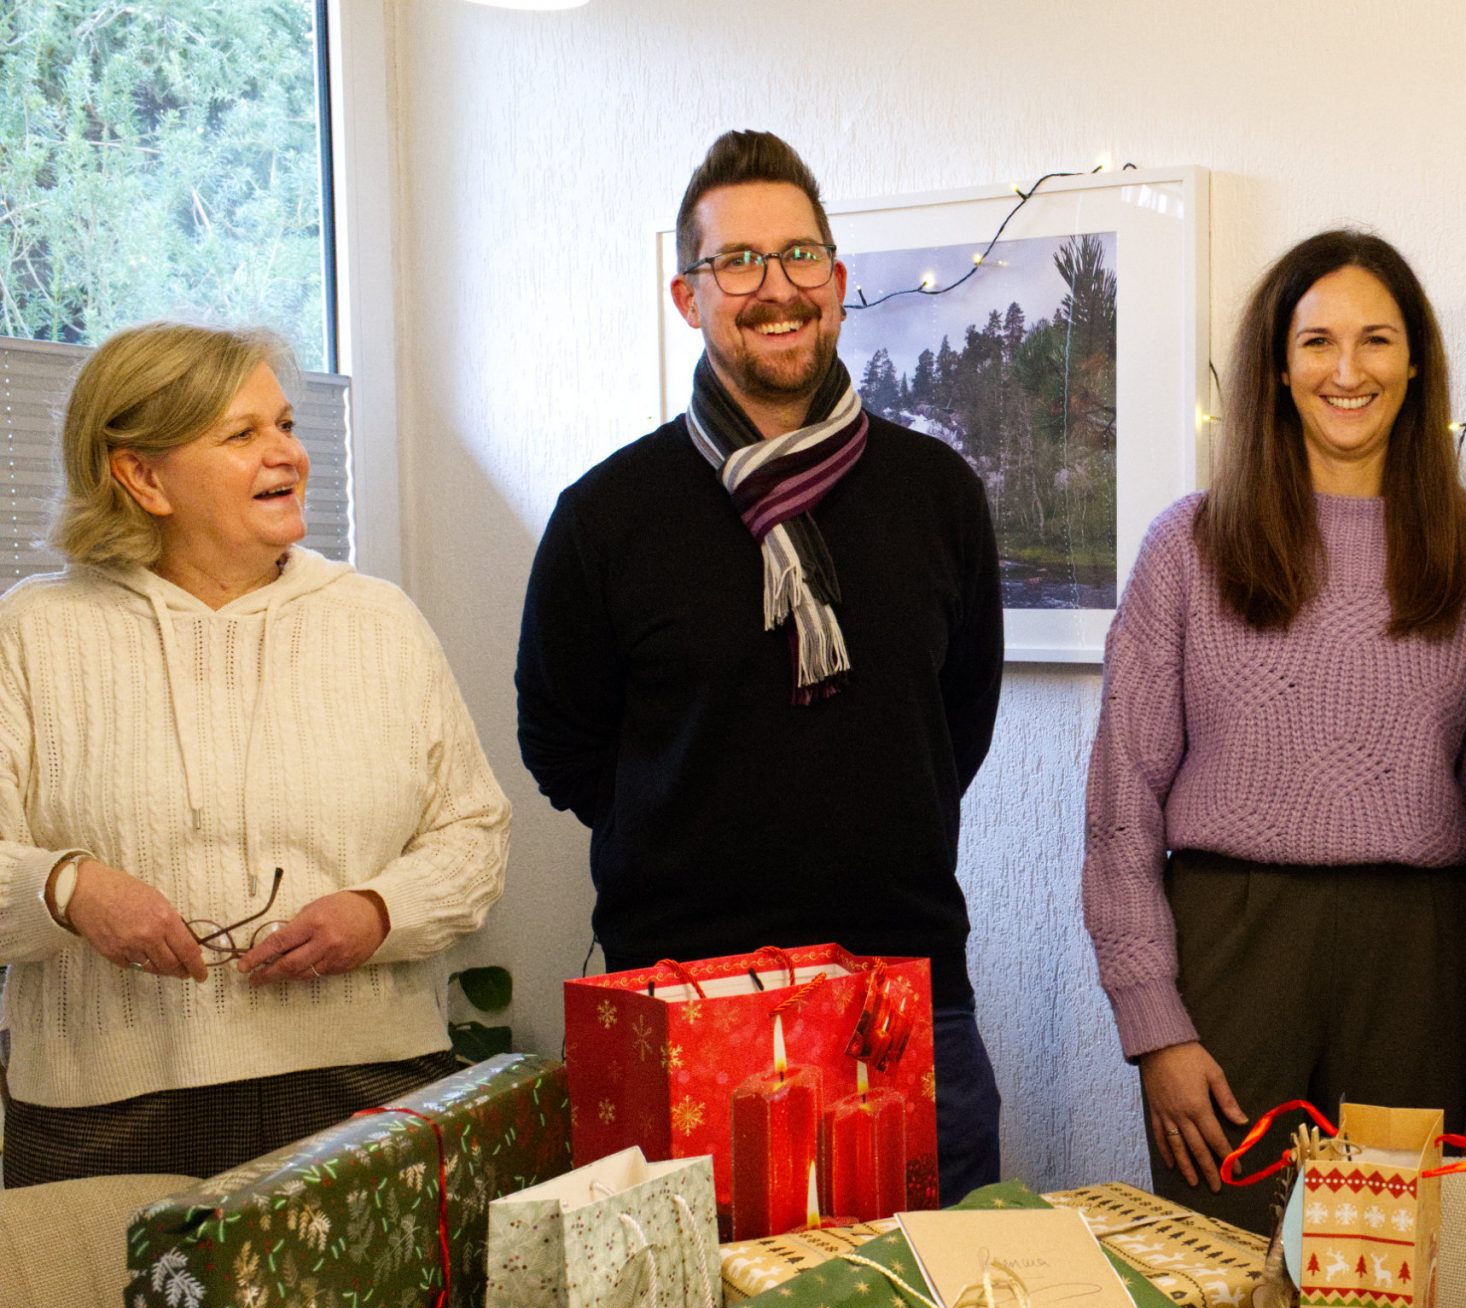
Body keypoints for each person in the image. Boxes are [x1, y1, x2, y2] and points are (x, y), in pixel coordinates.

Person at [516, 131, 1005, 1200]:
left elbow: (954, 722)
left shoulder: (938, 496)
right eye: (737, 262)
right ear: (688, 297)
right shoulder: (607, 519)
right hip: (679, 1000)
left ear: (836, 284)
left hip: (904, 990)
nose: (773, 288)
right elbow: (560, 744)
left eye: (798, 258)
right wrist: (690, 823)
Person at [1082, 229, 1466, 1233]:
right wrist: (1154, 1030)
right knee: (1229, 1292)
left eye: (1376, 341)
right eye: (1316, 341)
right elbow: (1120, 812)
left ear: (1415, 365)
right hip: (1233, 951)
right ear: (1277, 368)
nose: (1346, 370)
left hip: (1419, 965)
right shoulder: (1191, 545)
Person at [0, 322, 509, 1187]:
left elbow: (475, 836)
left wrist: (378, 913)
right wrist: (71, 888)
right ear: (142, 475)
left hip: (369, 1097)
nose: (288, 455)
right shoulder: (33, 632)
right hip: (103, 1121)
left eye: (287, 426)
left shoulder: (379, 620)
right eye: (242, 435)